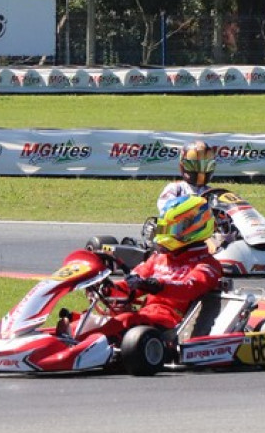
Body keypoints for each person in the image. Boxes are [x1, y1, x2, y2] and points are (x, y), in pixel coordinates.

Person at [61, 194, 223, 341]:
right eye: (164, 228)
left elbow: (189, 288)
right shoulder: (159, 258)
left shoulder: (207, 265)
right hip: (144, 316)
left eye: (173, 229)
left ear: (196, 227)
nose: (166, 235)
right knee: (80, 320)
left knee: (125, 321)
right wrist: (107, 289)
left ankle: (78, 348)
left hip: (169, 324)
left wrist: (156, 285)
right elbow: (132, 284)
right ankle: (62, 342)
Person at [156, 140, 217, 211]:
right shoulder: (176, 188)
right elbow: (164, 207)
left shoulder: (212, 192)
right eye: (194, 166)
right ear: (183, 165)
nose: (200, 171)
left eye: (206, 166)